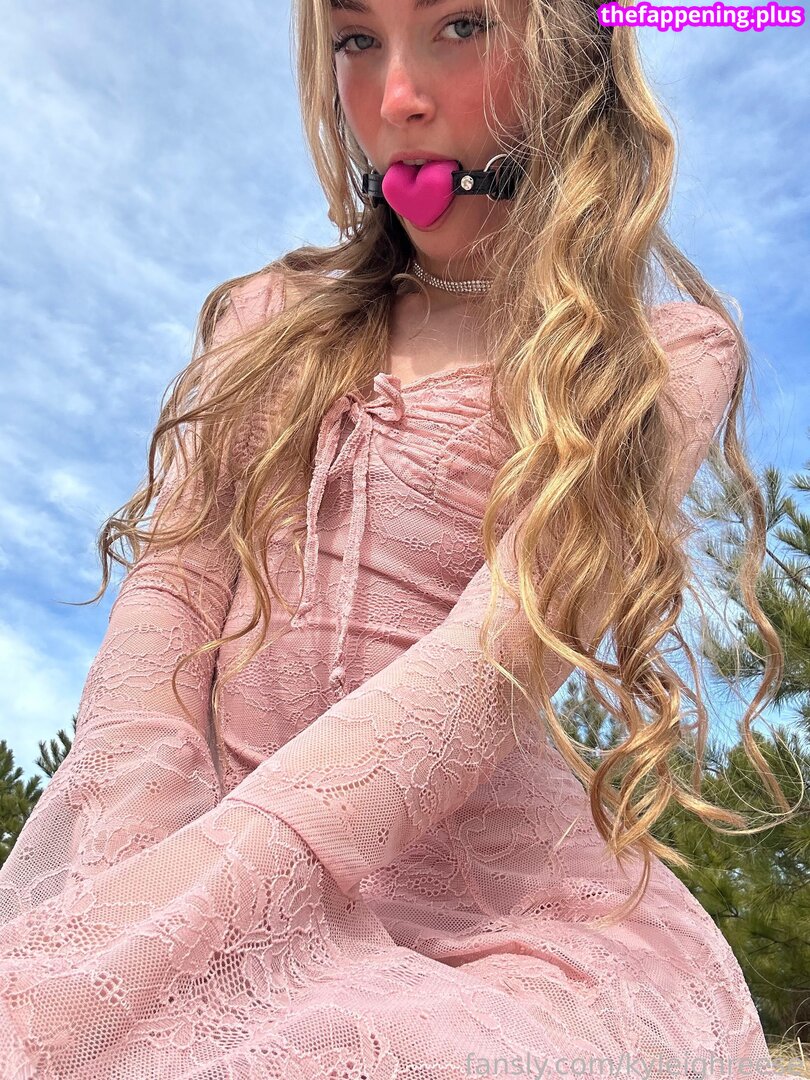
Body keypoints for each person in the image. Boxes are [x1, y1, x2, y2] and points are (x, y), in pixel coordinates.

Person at [0, 0, 802, 1076]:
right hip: (195, 852)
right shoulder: (267, 317)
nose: (397, 99)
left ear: (570, 54)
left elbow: (487, 664)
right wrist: (134, 865)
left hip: (503, 931)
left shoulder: (657, 358)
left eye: (460, 27)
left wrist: (224, 886)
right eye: (356, 41)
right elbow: (171, 593)